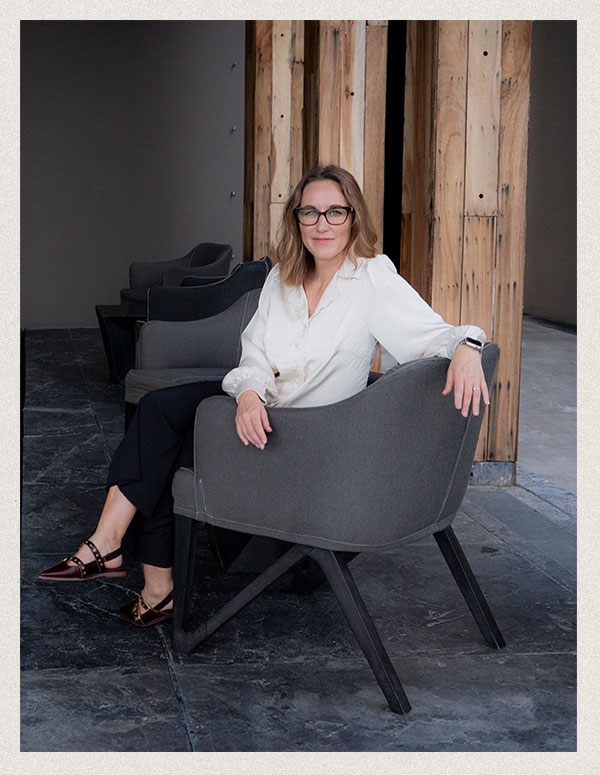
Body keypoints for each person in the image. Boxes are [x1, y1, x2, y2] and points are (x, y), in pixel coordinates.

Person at [38, 164, 489, 627]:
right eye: (310, 212)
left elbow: (434, 333)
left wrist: (468, 347)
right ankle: (125, 560)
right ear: (296, 220)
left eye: (335, 212)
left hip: (307, 436)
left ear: (353, 217)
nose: (322, 224)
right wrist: (250, 395)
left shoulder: (372, 278)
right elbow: (253, 353)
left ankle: (133, 570)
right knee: (159, 420)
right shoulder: (282, 279)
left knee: (166, 441)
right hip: (263, 408)